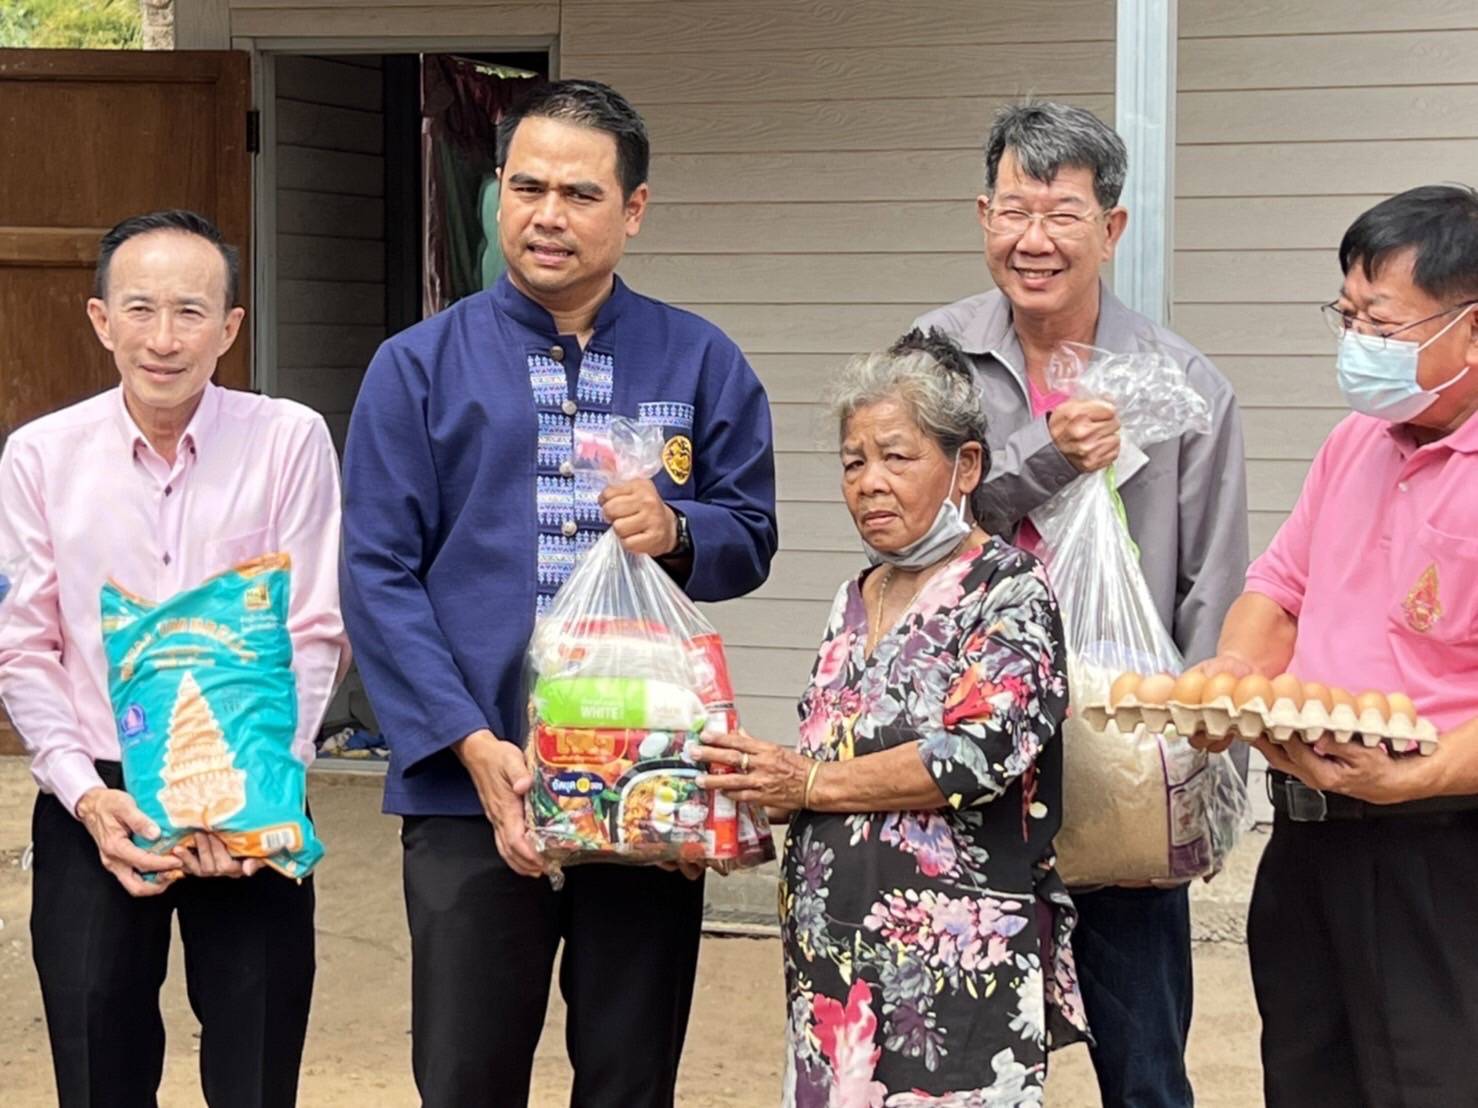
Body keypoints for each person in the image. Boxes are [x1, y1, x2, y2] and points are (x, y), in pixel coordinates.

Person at [339, 79, 777, 1108]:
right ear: (497, 191)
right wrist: (466, 741)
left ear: (633, 208)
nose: (548, 215)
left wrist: (679, 532)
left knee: (629, 1073)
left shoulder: (696, 359)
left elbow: (750, 533)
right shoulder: (418, 367)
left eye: (580, 194)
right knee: (466, 1073)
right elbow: (376, 573)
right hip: (471, 780)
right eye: (526, 187)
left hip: (646, 776)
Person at [913, 101, 1249, 1107]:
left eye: (1062, 214)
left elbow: (1212, 587)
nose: (1034, 240)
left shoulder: (1183, 386)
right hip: (961, 754)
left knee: (1143, 1064)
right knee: (947, 1060)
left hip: (1120, 761)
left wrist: (1201, 773)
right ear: (982, 216)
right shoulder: (933, 361)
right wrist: (1046, 455)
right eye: (1013, 210)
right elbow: (910, 529)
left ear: (1111, 228)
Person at [0, 210, 347, 1108]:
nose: (164, 339)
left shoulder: (288, 439)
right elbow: (25, 646)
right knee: (96, 1058)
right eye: (140, 309)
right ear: (100, 319)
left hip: (252, 781)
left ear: (229, 328)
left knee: (256, 1063)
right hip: (99, 791)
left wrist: (259, 787)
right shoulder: (40, 456)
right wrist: (85, 796)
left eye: (191, 312)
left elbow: (314, 626)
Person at [697, 329, 1089, 1104]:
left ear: (965, 467)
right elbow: (828, 758)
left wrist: (809, 784)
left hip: (950, 972)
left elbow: (977, 754)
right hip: (833, 963)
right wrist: (754, 789)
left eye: (896, 457)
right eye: (854, 463)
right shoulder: (854, 597)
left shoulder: (1007, 588)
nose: (870, 483)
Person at [1195, 184, 1478, 1107]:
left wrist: (1418, 778)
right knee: (1307, 1080)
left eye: (1382, 325)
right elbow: (1279, 589)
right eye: (1346, 315)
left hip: (1440, 851)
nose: (1356, 342)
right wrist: (1236, 675)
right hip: (1309, 836)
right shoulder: (1354, 442)